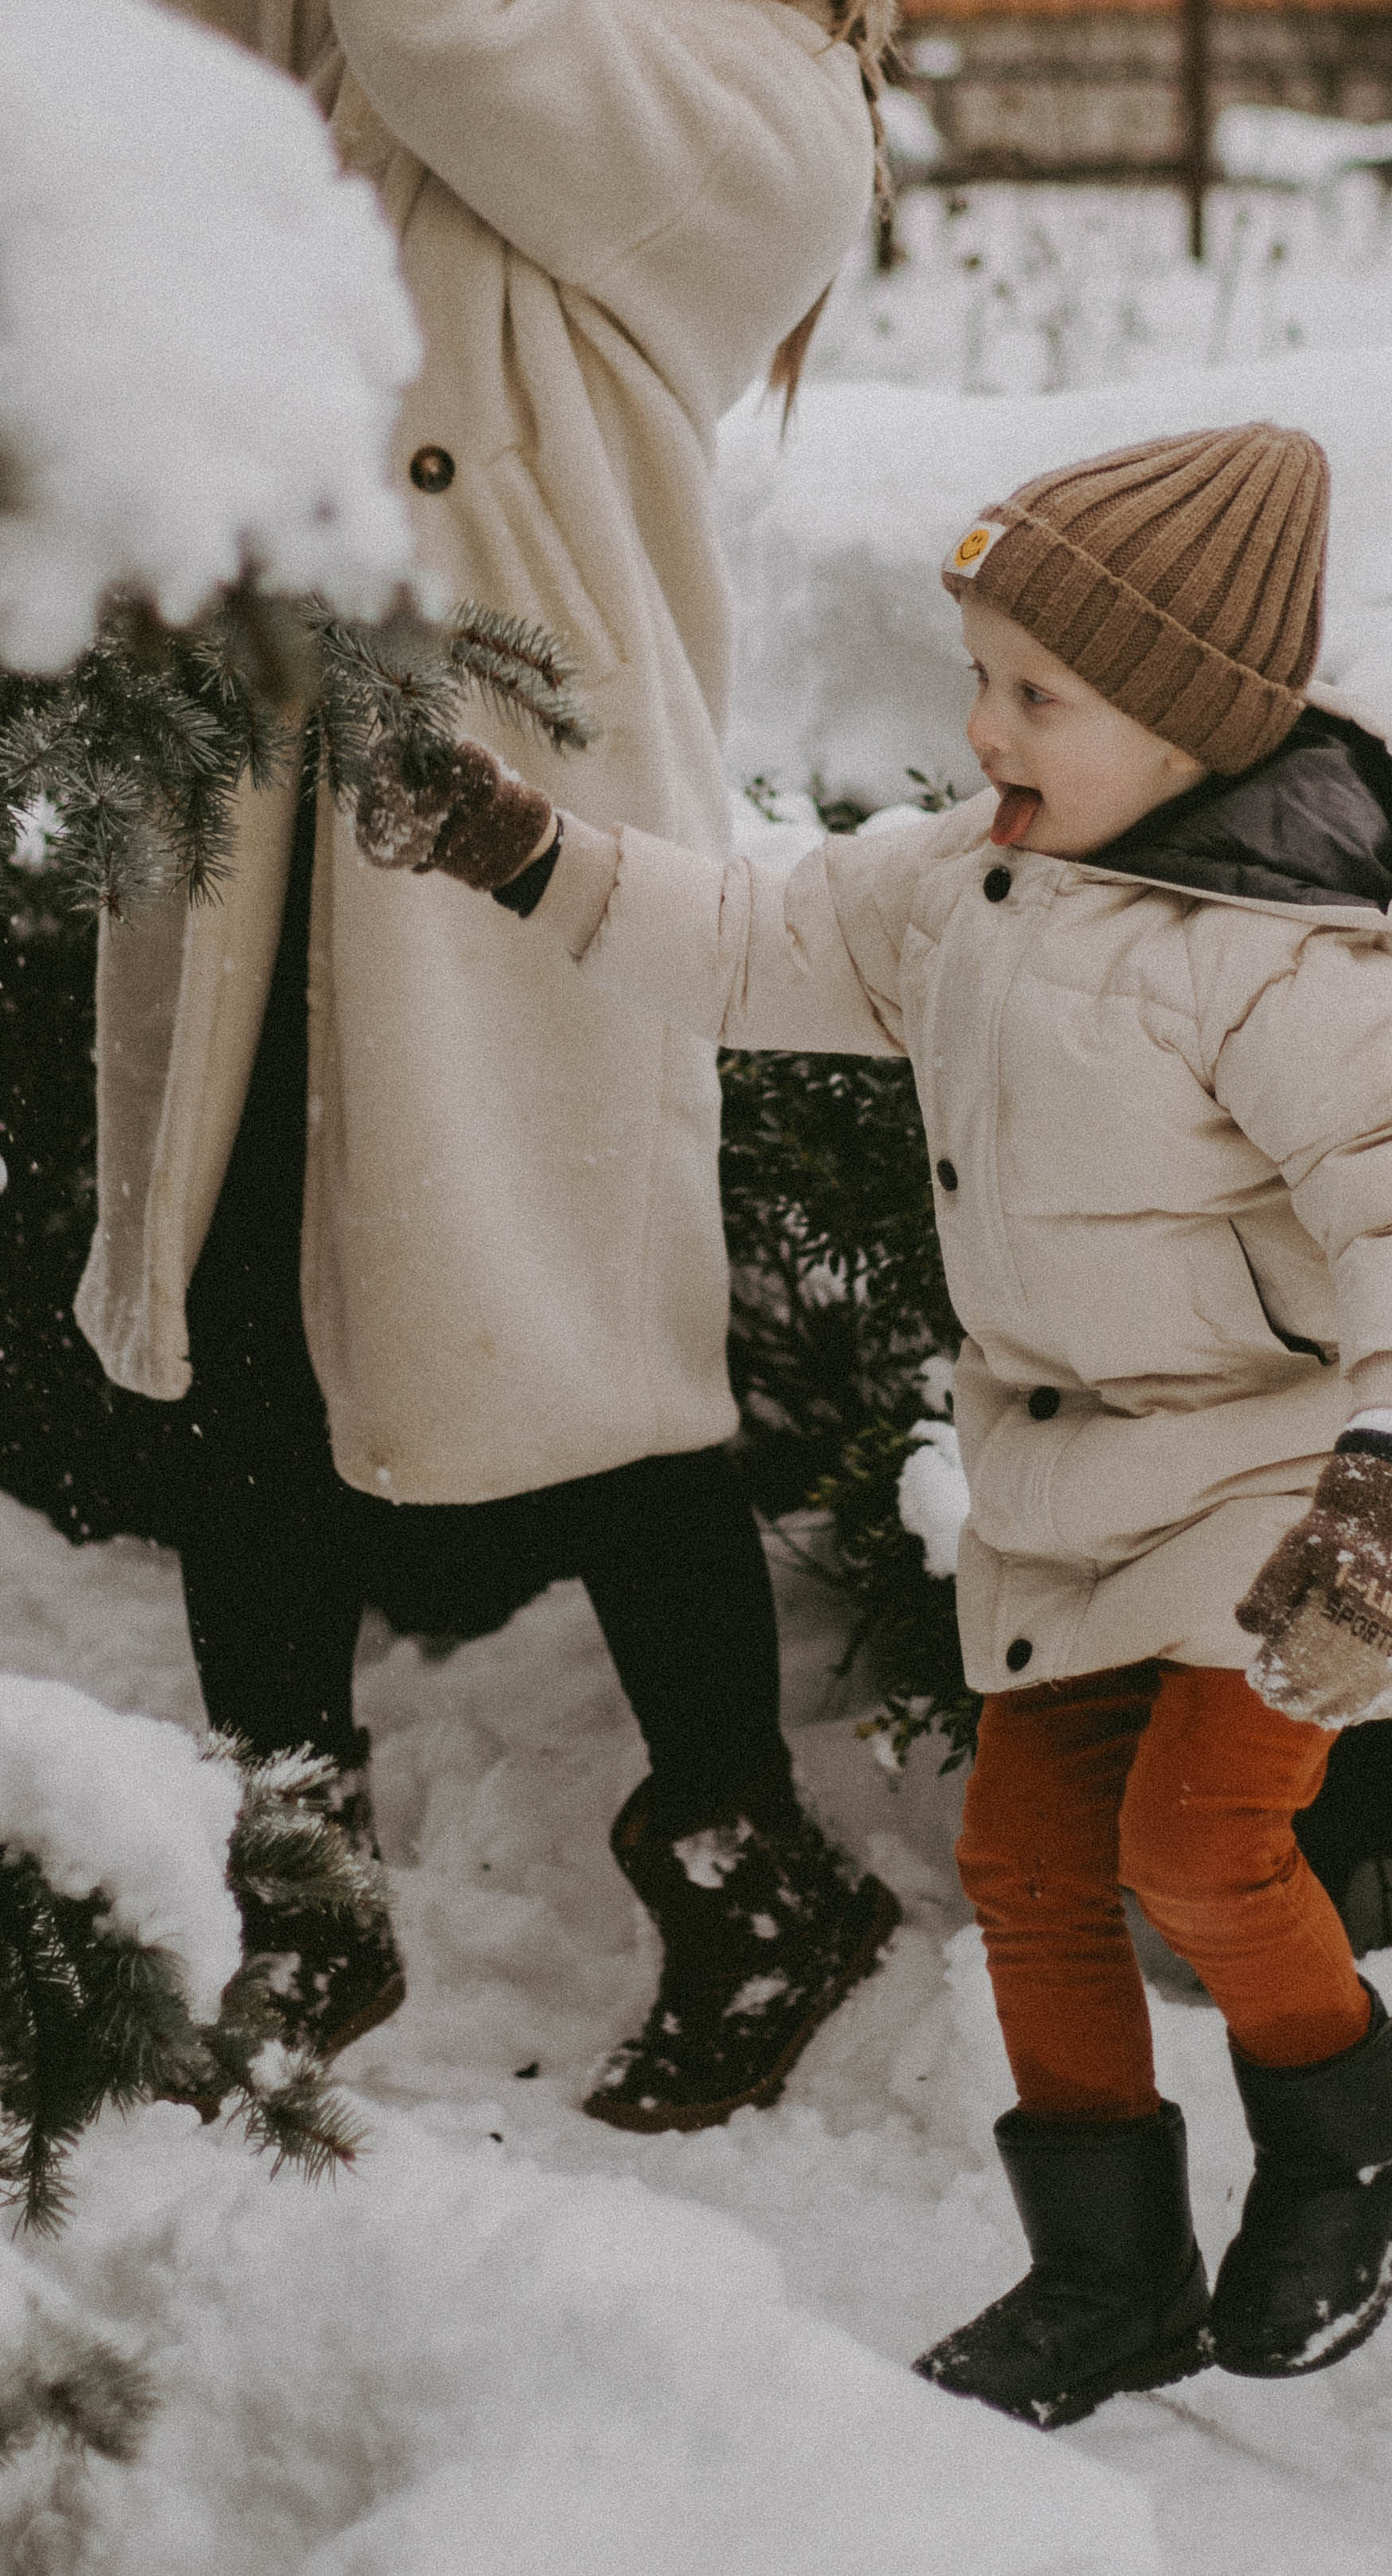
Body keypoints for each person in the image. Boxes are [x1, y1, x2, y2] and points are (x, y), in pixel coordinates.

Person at [365, 423, 1392, 2415]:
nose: (979, 723)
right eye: (974, 670)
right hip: (1061, 1480)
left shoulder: (1296, 977)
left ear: (1182, 720)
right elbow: (739, 942)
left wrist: (1389, 1476)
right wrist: (529, 853)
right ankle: (1105, 2274)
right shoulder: (961, 894)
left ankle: (1343, 2121)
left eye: (1036, 690)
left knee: (1197, 1835)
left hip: (1284, 1487)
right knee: (1025, 1860)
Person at [74, 0, 903, 2125]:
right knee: (251, 1314)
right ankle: (297, 1867)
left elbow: (457, 46)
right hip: (261, 772)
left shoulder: (764, 102)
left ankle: (749, 1860)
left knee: (602, 1359)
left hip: (525, 810)